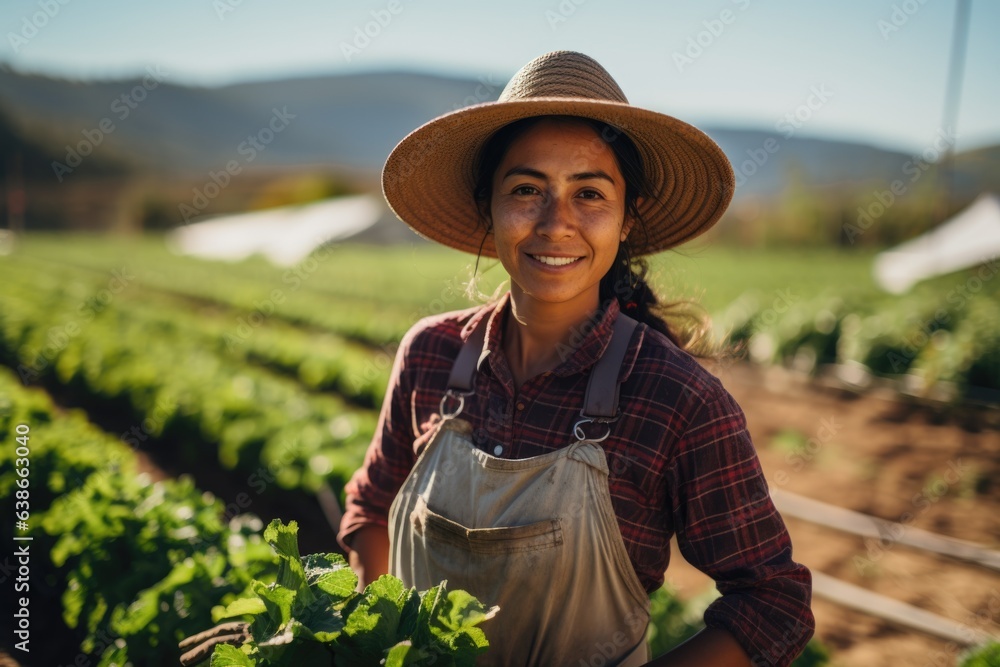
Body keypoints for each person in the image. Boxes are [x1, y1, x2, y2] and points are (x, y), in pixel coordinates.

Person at [339, 51, 814, 666]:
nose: (555, 223)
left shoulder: (675, 399)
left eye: (588, 193)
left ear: (625, 220)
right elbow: (371, 508)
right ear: (489, 207)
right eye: (526, 190)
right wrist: (384, 643)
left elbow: (773, 601)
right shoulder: (431, 354)